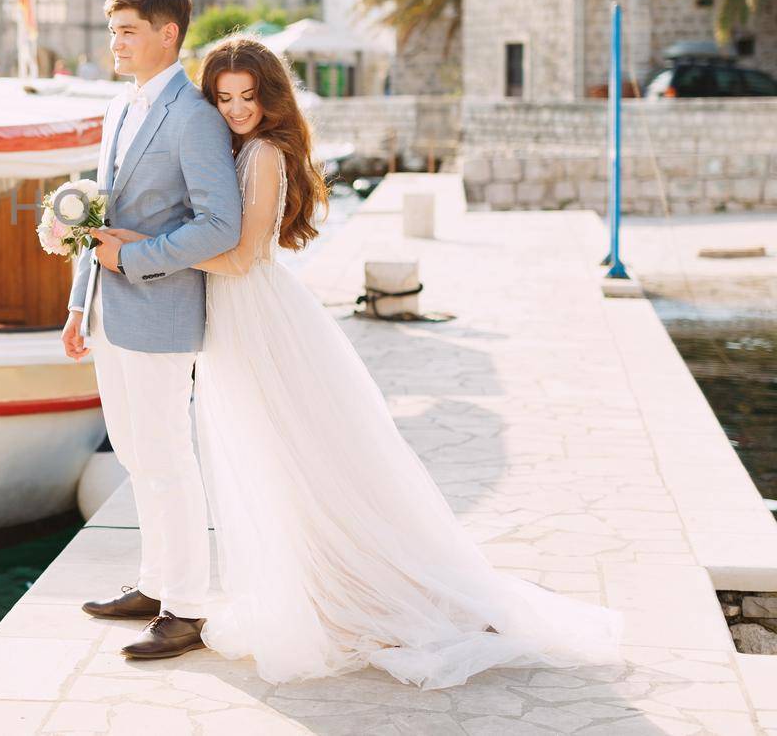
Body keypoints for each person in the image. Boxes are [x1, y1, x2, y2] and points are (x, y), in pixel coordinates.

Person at [95, 36, 626, 688]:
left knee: (299, 458)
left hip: (258, 318)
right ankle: (321, 588)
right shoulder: (235, 147)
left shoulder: (262, 153)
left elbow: (238, 257)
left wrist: (141, 249)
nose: (235, 110)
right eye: (224, 98)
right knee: (277, 461)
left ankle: (372, 592)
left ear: (270, 98)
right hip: (235, 321)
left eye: (248, 97)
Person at [61, 0, 241, 660]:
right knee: (138, 458)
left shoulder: (194, 116)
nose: (115, 43)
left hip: (161, 314)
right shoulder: (118, 108)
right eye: (112, 30)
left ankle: (188, 608)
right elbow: (100, 214)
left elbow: (219, 225)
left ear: (168, 34)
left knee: (168, 460)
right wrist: (81, 302)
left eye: (127, 30)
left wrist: (134, 263)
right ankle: (154, 583)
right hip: (109, 314)